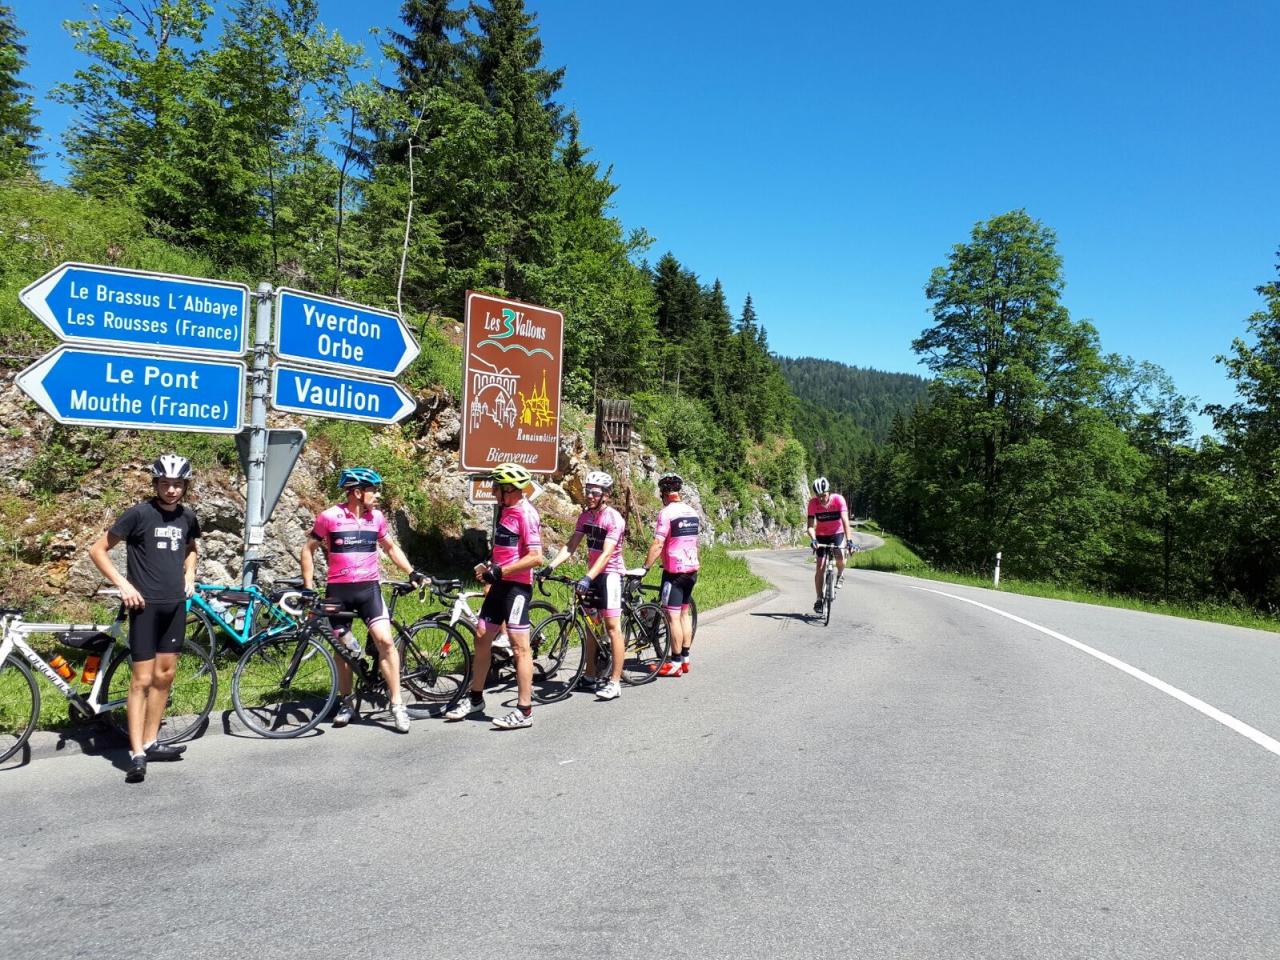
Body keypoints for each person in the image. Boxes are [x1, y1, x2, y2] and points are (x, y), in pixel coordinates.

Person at [89, 454, 201, 784]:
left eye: (177, 484)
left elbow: (192, 546)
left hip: (175, 606)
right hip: (144, 607)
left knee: (165, 675)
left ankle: (151, 741)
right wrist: (123, 584)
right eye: (165, 484)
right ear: (155, 484)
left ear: (185, 487)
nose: (171, 490)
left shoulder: (187, 516)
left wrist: (190, 573)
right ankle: (136, 753)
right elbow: (98, 550)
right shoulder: (140, 513)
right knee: (141, 679)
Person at [300, 467, 423, 734]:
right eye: (373, 490)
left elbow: (390, 548)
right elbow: (307, 549)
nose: (377, 495)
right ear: (357, 492)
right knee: (342, 650)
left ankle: (397, 703)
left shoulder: (376, 518)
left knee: (386, 642)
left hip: (369, 590)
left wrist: (411, 571)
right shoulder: (329, 517)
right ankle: (347, 702)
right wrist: (309, 588)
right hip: (338, 592)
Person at [443, 463, 544, 729]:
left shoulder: (526, 514)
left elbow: (536, 558)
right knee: (481, 636)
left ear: (509, 489)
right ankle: (476, 698)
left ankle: (524, 711)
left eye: (497, 486)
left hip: (517, 588)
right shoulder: (504, 511)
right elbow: (503, 551)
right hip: (499, 585)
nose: (493, 490)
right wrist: (489, 569)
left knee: (520, 647)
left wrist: (500, 571)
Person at [544, 470, 626, 701]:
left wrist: (588, 577)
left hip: (609, 575)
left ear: (606, 495)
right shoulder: (585, 517)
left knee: (612, 628)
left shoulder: (614, 519)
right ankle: (590, 676)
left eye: (595, 492)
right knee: (591, 626)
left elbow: (607, 554)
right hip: (592, 574)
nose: (590, 495)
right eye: (588, 491)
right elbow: (571, 546)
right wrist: (551, 567)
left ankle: (615, 682)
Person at [642, 473, 700, 677]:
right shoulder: (692, 512)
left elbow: (658, 543)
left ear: (664, 494)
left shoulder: (666, 513)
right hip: (692, 570)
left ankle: (674, 663)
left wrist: (645, 567)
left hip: (674, 573)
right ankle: (685, 659)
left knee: (672, 617)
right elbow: (695, 542)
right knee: (684, 614)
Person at [806, 476, 853, 614]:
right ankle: (819, 598)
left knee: (839, 555)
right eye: (818, 496)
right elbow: (809, 526)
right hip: (821, 535)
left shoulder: (839, 500)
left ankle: (841, 574)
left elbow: (845, 521)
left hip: (837, 533)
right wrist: (813, 539)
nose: (821, 499)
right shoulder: (813, 504)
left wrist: (849, 541)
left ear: (829, 492)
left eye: (824, 495)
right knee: (820, 566)